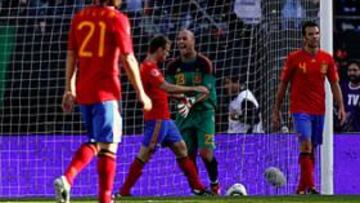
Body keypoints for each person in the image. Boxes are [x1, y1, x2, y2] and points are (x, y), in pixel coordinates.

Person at [54, 0, 152, 203]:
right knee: (108, 146)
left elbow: (72, 55)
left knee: (95, 142)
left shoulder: (79, 18)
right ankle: (104, 198)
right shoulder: (117, 19)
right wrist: (142, 93)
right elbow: (129, 58)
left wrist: (69, 89)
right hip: (106, 92)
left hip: (84, 91)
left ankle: (67, 178)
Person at [117, 35, 212, 197]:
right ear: (159, 49)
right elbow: (165, 86)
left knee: (182, 149)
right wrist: (194, 89)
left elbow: (159, 92)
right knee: (146, 153)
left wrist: (179, 97)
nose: (167, 55)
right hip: (157, 119)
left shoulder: (151, 67)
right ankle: (124, 191)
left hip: (166, 120)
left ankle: (198, 188)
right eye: (166, 51)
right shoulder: (148, 68)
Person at [272, 21, 346, 195]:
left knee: (311, 148)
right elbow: (283, 85)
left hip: (319, 110)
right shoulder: (294, 58)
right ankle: (312, 187)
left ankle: (300, 189)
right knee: (305, 145)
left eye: (317, 33)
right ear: (304, 37)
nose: (315, 37)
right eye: (311, 34)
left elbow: (334, 84)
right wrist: (276, 109)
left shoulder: (326, 58)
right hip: (300, 109)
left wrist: (341, 106)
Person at [166, 29, 220, 195]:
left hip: (204, 113)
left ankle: (215, 184)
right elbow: (167, 89)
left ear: (193, 41)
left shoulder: (204, 63)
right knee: (187, 155)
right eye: (179, 39)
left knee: (206, 153)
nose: (181, 42)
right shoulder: (173, 66)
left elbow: (206, 89)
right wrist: (183, 100)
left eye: (185, 39)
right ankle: (197, 189)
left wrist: (190, 101)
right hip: (184, 115)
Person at [336, 60, 360, 132]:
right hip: (345, 130)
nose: (352, 73)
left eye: (355, 70)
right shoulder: (342, 87)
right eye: (349, 70)